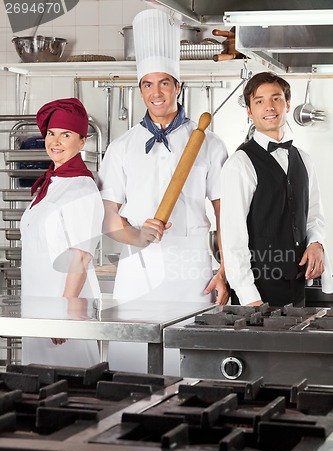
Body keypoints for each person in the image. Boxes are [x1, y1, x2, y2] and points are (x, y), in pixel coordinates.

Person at [98, 9, 229, 373]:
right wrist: (136, 235)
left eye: (164, 83)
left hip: (192, 275)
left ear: (178, 86)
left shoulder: (210, 144)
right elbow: (109, 218)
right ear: (139, 89)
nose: (156, 93)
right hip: (136, 275)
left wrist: (226, 271)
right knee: (132, 373)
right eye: (147, 84)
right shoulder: (121, 147)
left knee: (189, 371)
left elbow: (226, 216)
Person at [220, 71, 333, 307]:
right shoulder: (240, 163)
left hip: (297, 292)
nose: (269, 107)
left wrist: (316, 243)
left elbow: (313, 217)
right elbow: (233, 239)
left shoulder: (303, 159)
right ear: (249, 112)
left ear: (288, 104)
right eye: (259, 101)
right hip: (258, 295)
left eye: (276, 98)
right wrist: (250, 297)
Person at [20, 97, 104, 366]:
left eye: (65, 135)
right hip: (36, 304)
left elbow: (81, 255)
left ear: (82, 141)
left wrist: (64, 315)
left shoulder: (82, 188)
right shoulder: (51, 184)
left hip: (65, 309)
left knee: (73, 389)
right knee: (36, 391)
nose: (55, 142)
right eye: (52, 134)